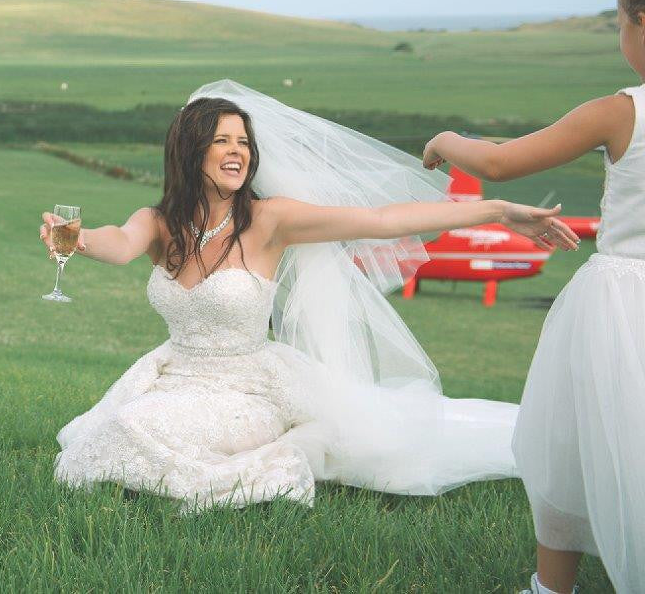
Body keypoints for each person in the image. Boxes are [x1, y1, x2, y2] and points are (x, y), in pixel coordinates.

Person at [41, 80, 579, 512]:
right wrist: (80, 240)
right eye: (222, 140)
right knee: (99, 434)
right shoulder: (159, 222)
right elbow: (118, 243)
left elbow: (382, 220)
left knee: (130, 430)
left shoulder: (271, 218)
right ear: (190, 148)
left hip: (250, 387)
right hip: (172, 372)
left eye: (244, 142)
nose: (237, 152)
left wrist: (494, 210)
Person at [422, 0, 645, 594]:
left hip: (623, 304)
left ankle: (552, 588)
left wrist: (445, 141)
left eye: (620, 23)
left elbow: (499, 161)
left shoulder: (620, 111)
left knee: (569, 439)